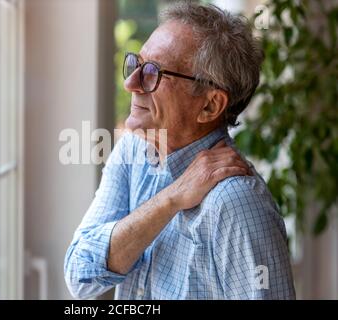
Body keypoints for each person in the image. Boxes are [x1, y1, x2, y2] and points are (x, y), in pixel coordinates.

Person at [64, 1, 295, 299]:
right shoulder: (133, 152)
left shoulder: (236, 204)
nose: (130, 83)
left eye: (153, 72)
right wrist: (170, 199)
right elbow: (80, 276)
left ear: (210, 105)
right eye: (136, 63)